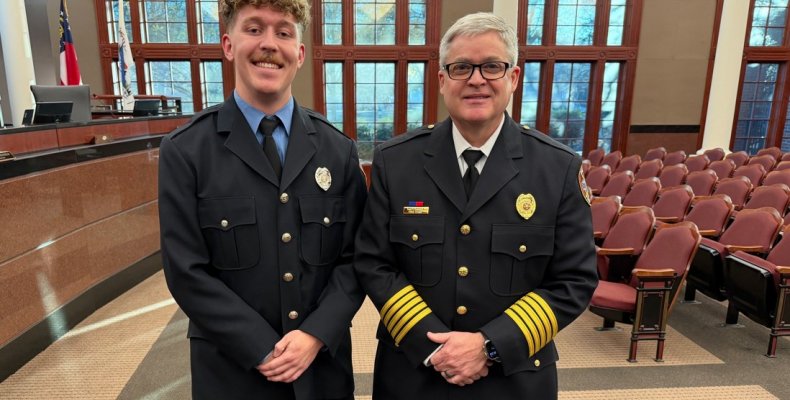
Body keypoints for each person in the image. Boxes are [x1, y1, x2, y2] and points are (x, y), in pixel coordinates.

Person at [354, 12, 598, 400]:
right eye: (461, 67)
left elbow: (574, 280)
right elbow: (373, 262)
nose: (476, 79)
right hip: (414, 374)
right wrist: (436, 347)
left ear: (513, 78)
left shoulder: (557, 168)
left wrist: (488, 345)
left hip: (514, 378)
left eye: (492, 66)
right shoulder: (395, 161)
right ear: (441, 80)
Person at [158, 1, 367, 399]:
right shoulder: (187, 151)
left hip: (320, 368)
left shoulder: (337, 150)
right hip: (231, 371)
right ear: (228, 44)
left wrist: (314, 334)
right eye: (254, 29)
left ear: (300, 53)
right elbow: (186, 271)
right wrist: (260, 347)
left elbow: (356, 260)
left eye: (284, 32)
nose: (269, 44)